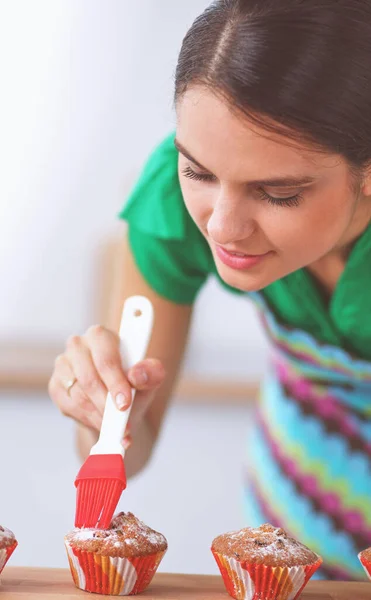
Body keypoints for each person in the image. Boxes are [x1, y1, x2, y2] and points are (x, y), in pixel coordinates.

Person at [48, 0, 371, 580]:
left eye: (276, 192)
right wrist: (102, 418)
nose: (220, 226)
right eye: (197, 170)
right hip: (300, 501)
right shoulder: (171, 205)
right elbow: (133, 445)